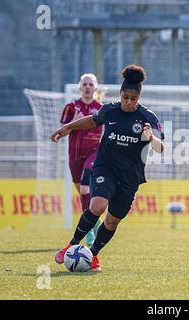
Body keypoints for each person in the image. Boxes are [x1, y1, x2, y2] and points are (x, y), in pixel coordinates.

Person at [51, 65, 164, 271]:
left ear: (139, 97)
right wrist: (67, 127)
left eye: (133, 99)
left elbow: (160, 147)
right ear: (120, 94)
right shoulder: (110, 110)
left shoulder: (148, 118)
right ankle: (72, 244)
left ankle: (92, 254)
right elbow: (92, 121)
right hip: (105, 168)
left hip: (130, 177)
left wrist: (151, 138)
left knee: (112, 221)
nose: (129, 102)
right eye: (125, 98)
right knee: (97, 206)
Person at [59, 73, 103, 246]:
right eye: (84, 84)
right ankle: (95, 222)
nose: (87, 87)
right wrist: (74, 123)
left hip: (94, 153)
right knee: (84, 192)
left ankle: (90, 233)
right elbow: (62, 131)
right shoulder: (71, 107)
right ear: (79, 87)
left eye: (90, 84)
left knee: (86, 188)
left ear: (95, 88)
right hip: (74, 156)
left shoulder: (100, 108)